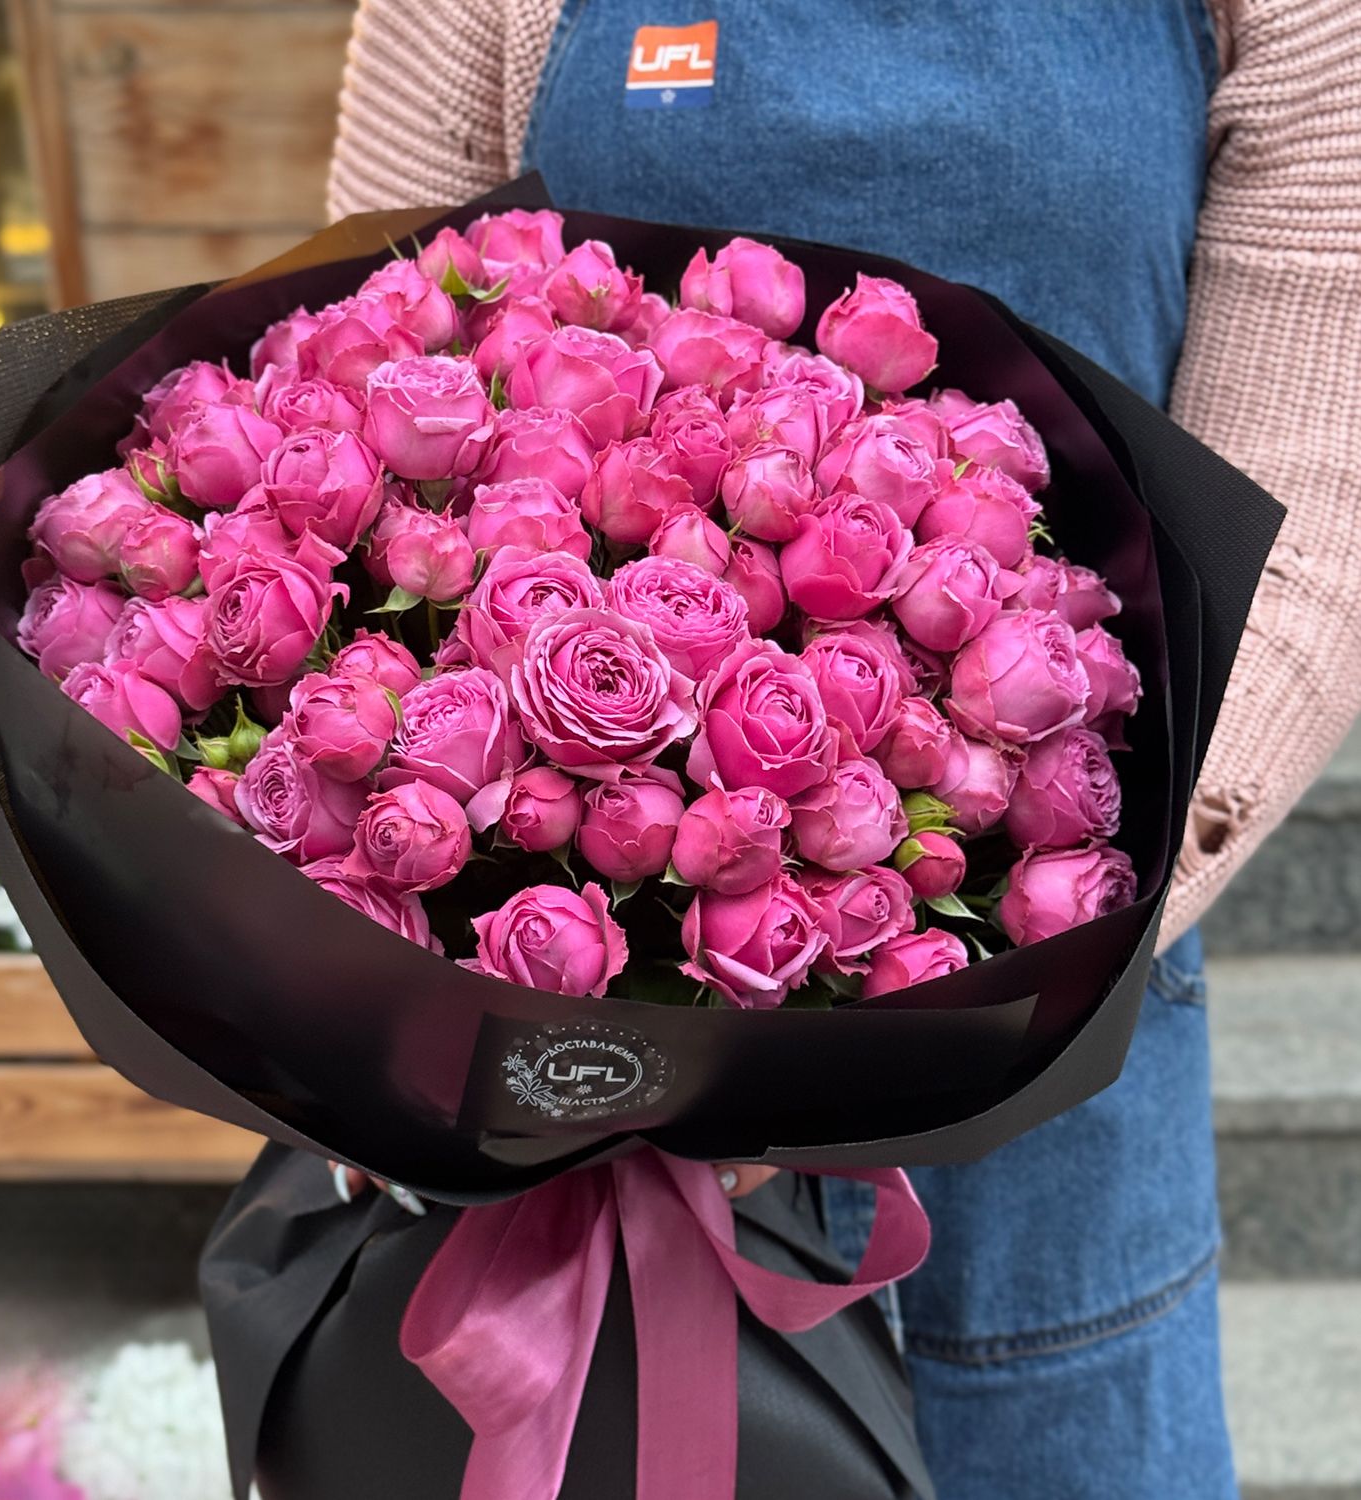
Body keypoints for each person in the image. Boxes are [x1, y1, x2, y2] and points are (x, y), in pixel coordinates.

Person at [325, 4, 1361, 1495]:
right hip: (565, 1023)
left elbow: (1306, 527)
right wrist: (373, 985)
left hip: (1037, 960)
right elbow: (383, 357)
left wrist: (925, 988)